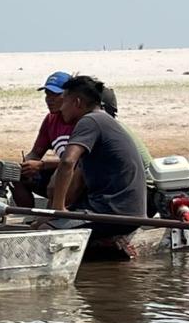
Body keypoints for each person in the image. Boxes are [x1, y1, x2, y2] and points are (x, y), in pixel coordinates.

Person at [45, 76, 146, 237]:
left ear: (77, 103)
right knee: (42, 222)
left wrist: (58, 207)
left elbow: (67, 162)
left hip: (114, 214)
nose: (61, 108)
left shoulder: (89, 121)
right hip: (120, 210)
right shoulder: (101, 119)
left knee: (45, 230)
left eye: (64, 102)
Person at [12, 71, 74, 207]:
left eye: (55, 95)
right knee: (15, 176)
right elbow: (36, 152)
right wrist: (26, 164)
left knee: (57, 179)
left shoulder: (81, 121)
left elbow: (78, 162)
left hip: (76, 174)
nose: (49, 99)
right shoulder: (50, 120)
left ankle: (53, 214)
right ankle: (28, 216)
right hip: (59, 169)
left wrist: (43, 165)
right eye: (47, 95)